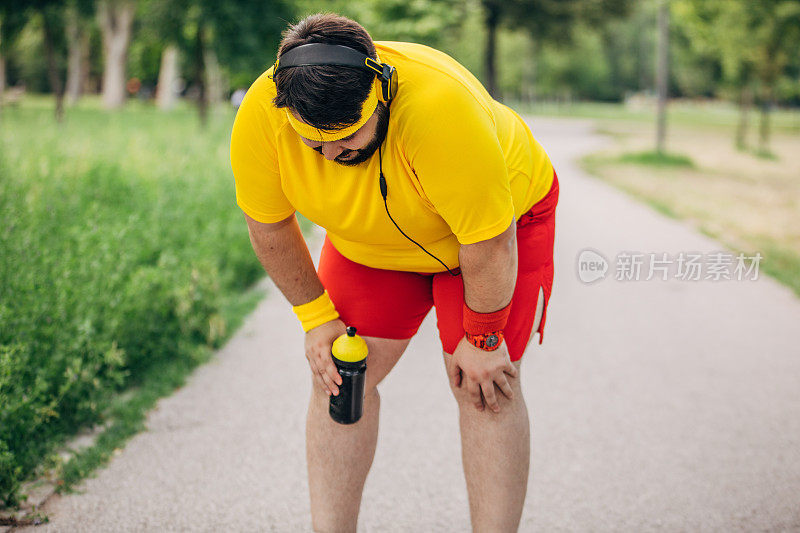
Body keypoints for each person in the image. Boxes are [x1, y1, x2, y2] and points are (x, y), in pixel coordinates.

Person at [230, 13, 559, 533]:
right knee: (338, 377)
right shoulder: (262, 115)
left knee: (484, 386)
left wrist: (484, 335)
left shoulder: (440, 108)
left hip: (493, 233)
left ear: (380, 93)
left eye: (346, 139)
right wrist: (317, 319)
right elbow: (269, 228)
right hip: (372, 242)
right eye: (314, 145)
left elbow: (490, 243)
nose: (332, 155)